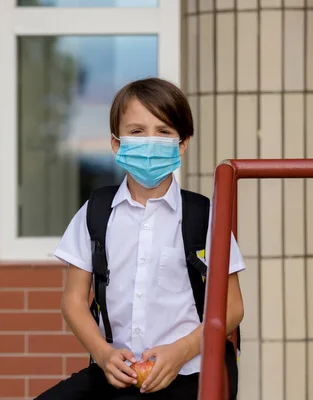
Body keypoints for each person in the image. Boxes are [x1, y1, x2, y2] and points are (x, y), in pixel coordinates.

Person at [36, 77, 246, 400]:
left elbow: (232, 307)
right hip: (115, 373)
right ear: (117, 144)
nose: (150, 142)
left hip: (190, 374)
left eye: (163, 132)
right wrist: (104, 356)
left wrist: (180, 352)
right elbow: (73, 302)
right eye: (137, 131)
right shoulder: (96, 212)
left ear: (182, 144)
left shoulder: (204, 216)